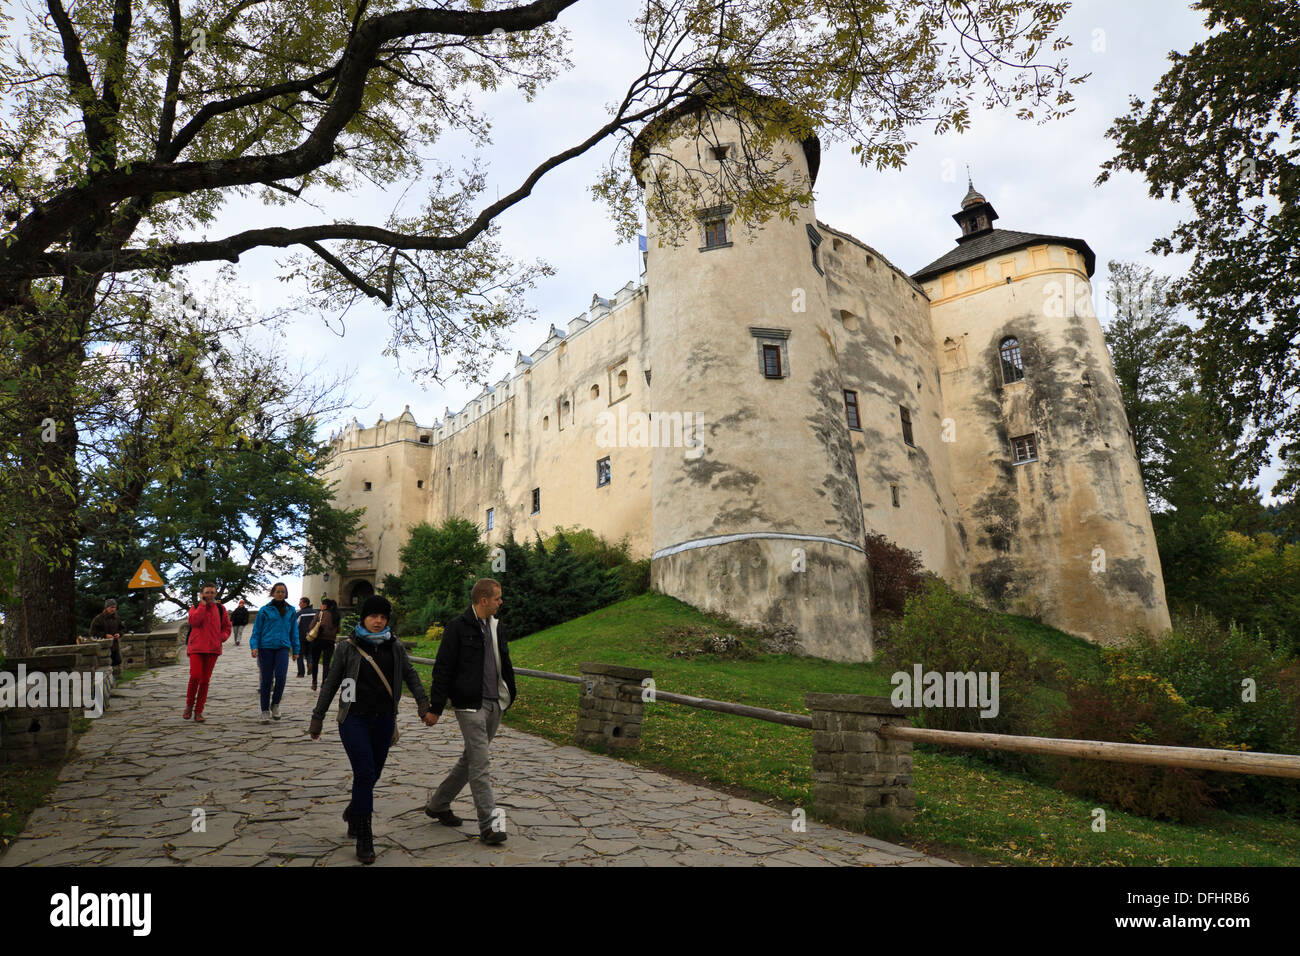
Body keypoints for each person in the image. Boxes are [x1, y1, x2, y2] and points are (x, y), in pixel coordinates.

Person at [309, 594, 433, 864]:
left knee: (372, 774)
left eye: (383, 617)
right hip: (354, 718)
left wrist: (423, 702)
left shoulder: (395, 646)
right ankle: (364, 833)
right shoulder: (348, 648)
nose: (378, 621)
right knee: (364, 772)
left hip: (384, 719)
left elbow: (410, 674)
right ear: (364, 618)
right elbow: (331, 682)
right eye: (373, 616)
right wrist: (317, 717)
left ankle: (354, 811)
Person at [424, 578, 517, 846]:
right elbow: (443, 668)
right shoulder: (457, 627)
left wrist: (509, 696)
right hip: (468, 705)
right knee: (481, 763)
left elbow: (505, 664)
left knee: (471, 760)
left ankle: (439, 804)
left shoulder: (497, 627)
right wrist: (436, 707)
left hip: (493, 704)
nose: (501, 602)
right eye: (498, 598)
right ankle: (489, 825)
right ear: (484, 600)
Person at [249, 582, 299, 723]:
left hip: (282, 648)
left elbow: (294, 631)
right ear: (273, 593)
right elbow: (256, 630)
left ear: (286, 594)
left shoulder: (291, 610)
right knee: (266, 680)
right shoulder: (265, 610)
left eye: (283, 592)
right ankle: (264, 710)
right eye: (278, 591)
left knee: (281, 677)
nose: (280, 594)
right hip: (266, 648)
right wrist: (254, 646)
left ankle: (275, 704)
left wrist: (296, 649)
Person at [185, 584, 231, 722]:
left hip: (212, 649)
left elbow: (227, 627)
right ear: (202, 594)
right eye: (207, 592)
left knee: (205, 681)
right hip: (197, 648)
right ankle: (189, 706)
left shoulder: (220, 609)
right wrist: (202, 605)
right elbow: (194, 622)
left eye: (212, 592)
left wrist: (221, 637)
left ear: (216, 594)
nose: (210, 595)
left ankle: (199, 711)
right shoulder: (195, 607)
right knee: (195, 676)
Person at [309, 598, 340, 692]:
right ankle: (324, 684)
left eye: (322, 604)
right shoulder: (336, 616)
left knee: (315, 662)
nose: (321, 606)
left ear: (325, 605)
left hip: (318, 640)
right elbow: (338, 630)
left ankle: (314, 682)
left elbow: (311, 626)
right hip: (330, 641)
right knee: (326, 663)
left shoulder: (320, 614)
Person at [88, 598, 124, 668]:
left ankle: (110, 676)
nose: (113, 609)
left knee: (117, 661)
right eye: (111, 607)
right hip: (103, 645)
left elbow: (122, 629)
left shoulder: (117, 618)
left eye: (114, 607)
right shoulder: (98, 618)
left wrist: (119, 634)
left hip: (114, 645)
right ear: (107, 608)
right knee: (105, 663)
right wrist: (105, 635)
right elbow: (93, 632)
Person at [296, 597, 319, 678]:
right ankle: (310, 663)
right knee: (309, 652)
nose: (299, 604)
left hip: (301, 636)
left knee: (300, 654)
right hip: (312, 636)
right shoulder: (315, 612)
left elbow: (295, 625)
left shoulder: (300, 614)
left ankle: (301, 673)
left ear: (305, 603)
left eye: (300, 603)